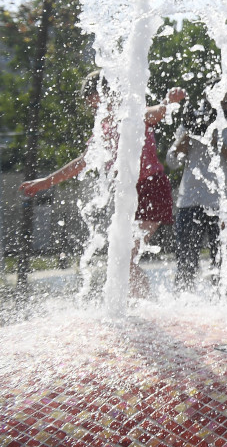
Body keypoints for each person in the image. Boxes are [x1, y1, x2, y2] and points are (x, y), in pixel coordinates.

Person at [19, 70, 185, 297]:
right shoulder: (103, 131)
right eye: (93, 108)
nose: (98, 112)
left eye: (101, 105)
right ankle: (141, 302)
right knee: (120, 257)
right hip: (128, 194)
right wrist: (47, 182)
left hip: (151, 188)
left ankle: (147, 305)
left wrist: (168, 102)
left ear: (113, 97)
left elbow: (155, 113)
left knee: (124, 256)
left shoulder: (132, 115)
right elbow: (83, 162)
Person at [166, 91, 227, 289]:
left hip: (223, 204)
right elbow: (171, 162)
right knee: (186, 262)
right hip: (189, 202)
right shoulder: (190, 124)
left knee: (222, 263)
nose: (219, 103)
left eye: (224, 100)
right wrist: (188, 136)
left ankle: (221, 307)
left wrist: (214, 139)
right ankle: (182, 303)